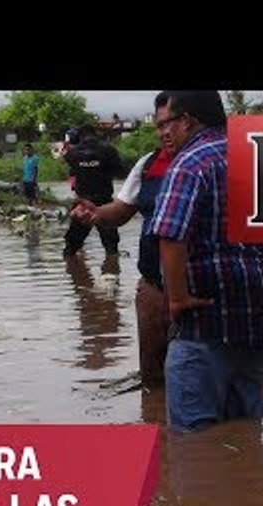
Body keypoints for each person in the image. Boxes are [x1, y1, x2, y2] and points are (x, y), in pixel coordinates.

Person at [146, 90, 263, 432]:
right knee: (246, 431)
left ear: (188, 121)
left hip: (203, 322)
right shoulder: (259, 157)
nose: (163, 133)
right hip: (255, 320)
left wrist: (176, 298)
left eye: (167, 124)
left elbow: (171, 235)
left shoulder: (190, 163)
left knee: (194, 445)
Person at [69, 101, 174, 386]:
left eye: (170, 122)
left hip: (211, 292)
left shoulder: (233, 160)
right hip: (155, 287)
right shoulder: (149, 164)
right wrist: (97, 212)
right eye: (159, 125)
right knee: (154, 382)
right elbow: (122, 210)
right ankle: (156, 424)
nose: (164, 132)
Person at [62, 125, 123, 258]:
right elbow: (120, 171)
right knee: (111, 247)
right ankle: (113, 271)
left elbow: (70, 163)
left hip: (83, 204)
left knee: (71, 246)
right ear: (95, 134)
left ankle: (72, 272)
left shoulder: (73, 153)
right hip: (104, 202)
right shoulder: (108, 150)